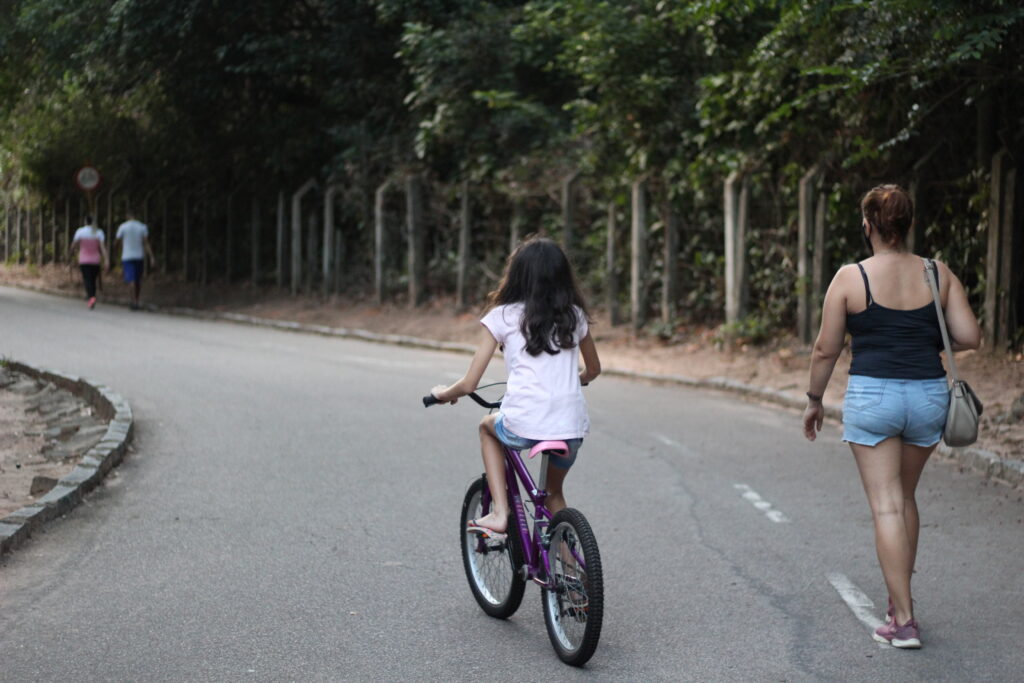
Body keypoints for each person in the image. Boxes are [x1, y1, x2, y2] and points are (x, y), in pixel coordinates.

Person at [802, 184, 980, 649]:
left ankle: (903, 620)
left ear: (868, 226)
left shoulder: (850, 278)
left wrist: (813, 399)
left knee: (885, 504)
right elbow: (969, 335)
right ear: (908, 225)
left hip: (873, 397)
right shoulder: (936, 273)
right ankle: (899, 598)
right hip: (927, 397)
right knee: (905, 498)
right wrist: (922, 342)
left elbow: (826, 348)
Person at [430, 237, 601, 536]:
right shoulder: (575, 316)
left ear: (517, 274)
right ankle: (575, 576)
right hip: (571, 425)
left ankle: (499, 513)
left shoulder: (502, 317)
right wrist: (575, 380)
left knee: (487, 427)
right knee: (552, 496)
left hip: (525, 420)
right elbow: (594, 370)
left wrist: (444, 394)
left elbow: (470, 383)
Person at [114, 210, 156, 310]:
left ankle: (132, 301)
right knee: (137, 280)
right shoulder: (142, 227)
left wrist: (116, 250)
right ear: (135, 216)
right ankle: (137, 300)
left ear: (127, 216)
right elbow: (146, 243)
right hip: (139, 256)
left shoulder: (122, 227)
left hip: (127, 256)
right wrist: (151, 257)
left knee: (130, 279)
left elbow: (117, 241)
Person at [70, 215, 108, 309]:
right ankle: (92, 296)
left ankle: (91, 297)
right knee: (93, 280)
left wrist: (70, 253)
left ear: (85, 221)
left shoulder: (80, 232)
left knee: (87, 280)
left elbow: (73, 245)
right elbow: (102, 248)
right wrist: (106, 259)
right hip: (96, 260)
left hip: (84, 260)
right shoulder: (99, 232)